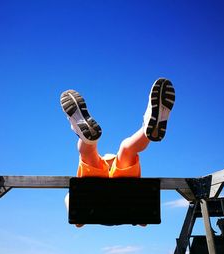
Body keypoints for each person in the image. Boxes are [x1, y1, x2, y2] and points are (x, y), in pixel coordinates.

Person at [61, 78, 175, 227]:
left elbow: (78, 221)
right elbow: (144, 221)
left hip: (92, 192)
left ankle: (88, 139)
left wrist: (71, 201)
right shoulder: (128, 193)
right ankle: (145, 130)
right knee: (126, 149)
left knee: (90, 155)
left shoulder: (88, 202)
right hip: (125, 187)